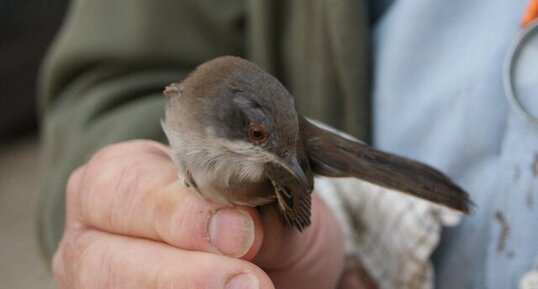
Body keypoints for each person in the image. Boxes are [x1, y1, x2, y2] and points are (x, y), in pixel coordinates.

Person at [38, 0, 538, 289]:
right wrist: (125, 213)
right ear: (225, 118)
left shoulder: (276, 166)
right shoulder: (183, 97)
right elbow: (113, 81)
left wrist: (300, 225)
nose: (282, 158)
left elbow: (297, 207)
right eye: (259, 137)